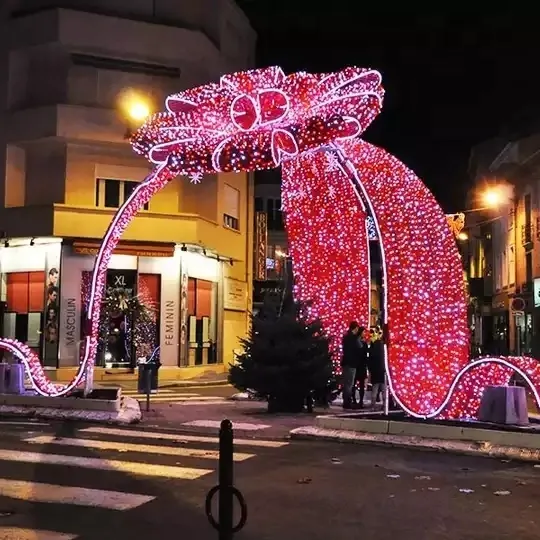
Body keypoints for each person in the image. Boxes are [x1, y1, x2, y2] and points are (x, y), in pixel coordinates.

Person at [341, 321, 360, 409]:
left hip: (345, 362)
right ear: (355, 328)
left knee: (346, 383)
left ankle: (346, 401)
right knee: (350, 384)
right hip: (352, 363)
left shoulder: (345, 337)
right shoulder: (354, 338)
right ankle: (347, 402)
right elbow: (359, 347)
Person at [368, 326, 386, 408]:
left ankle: (373, 404)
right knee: (383, 389)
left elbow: (371, 358)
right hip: (383, 369)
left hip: (375, 370)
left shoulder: (374, 346)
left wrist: (370, 368)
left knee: (375, 388)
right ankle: (385, 404)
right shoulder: (384, 346)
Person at [352, 328, 369, 407]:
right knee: (357, 383)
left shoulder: (361, 343)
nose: (364, 333)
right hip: (359, 365)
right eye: (364, 332)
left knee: (358, 383)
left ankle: (358, 400)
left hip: (359, 365)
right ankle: (356, 400)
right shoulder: (359, 343)